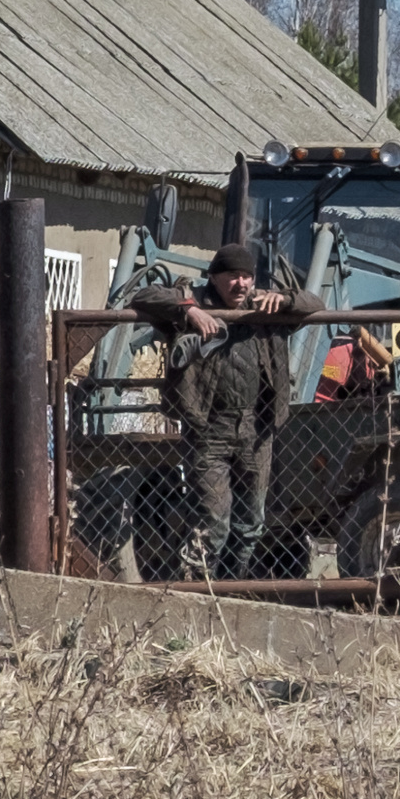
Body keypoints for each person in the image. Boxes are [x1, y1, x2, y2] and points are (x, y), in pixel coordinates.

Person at [128, 242, 319, 579]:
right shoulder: (193, 301)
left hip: (256, 430)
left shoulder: (267, 309)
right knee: (214, 520)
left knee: (251, 524)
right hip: (208, 429)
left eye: (247, 277)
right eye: (233, 276)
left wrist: (287, 299)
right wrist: (188, 309)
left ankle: (231, 587)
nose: (241, 284)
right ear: (214, 278)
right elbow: (143, 296)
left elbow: (315, 304)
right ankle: (197, 588)